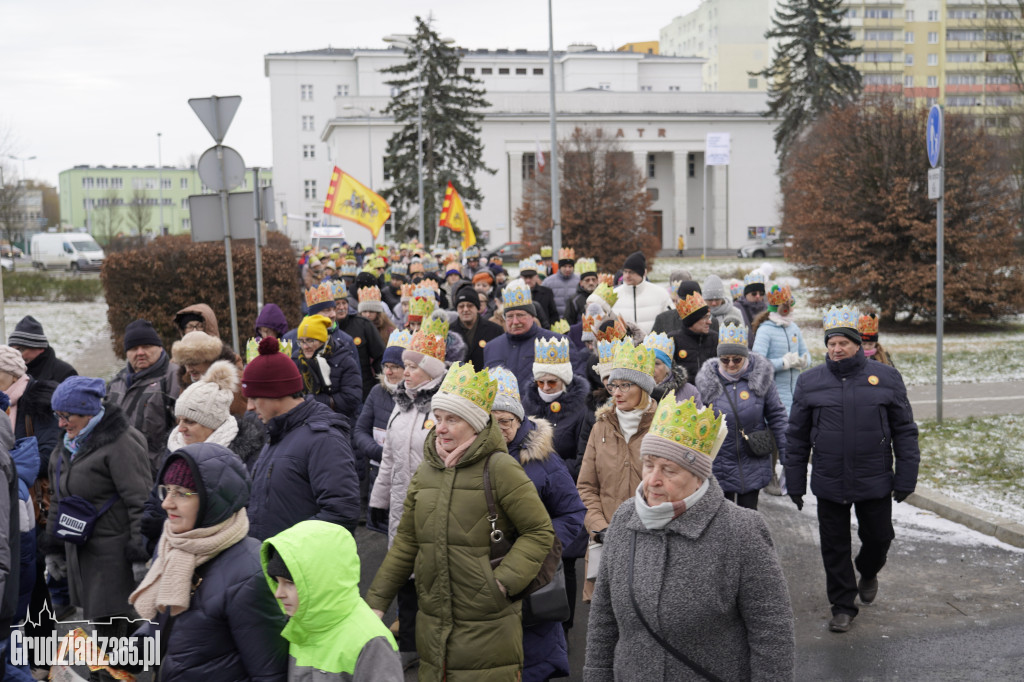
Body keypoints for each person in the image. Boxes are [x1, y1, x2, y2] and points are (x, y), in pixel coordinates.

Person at [365, 362, 555, 682]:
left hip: (489, 630)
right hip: (433, 628)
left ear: (476, 424)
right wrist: (375, 604)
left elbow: (539, 531)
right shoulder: (426, 471)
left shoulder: (500, 468)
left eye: (452, 419)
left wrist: (503, 582)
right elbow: (406, 543)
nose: (440, 427)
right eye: (438, 418)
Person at [584, 395, 795, 680]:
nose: (652, 480)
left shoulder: (741, 530)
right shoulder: (624, 519)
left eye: (669, 470)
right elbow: (603, 620)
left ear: (698, 476)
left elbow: (771, 632)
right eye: (648, 464)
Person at [785, 306, 920, 634]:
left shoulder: (886, 378)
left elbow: (905, 430)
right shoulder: (809, 382)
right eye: (832, 343)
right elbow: (796, 436)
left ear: (858, 344)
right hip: (830, 480)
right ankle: (843, 605)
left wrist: (906, 476)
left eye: (844, 342)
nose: (837, 348)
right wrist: (795, 481)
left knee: (879, 537)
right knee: (834, 545)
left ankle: (868, 569)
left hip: (874, 478)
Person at [127, 444, 289, 681]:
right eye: (167, 490)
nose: (166, 504)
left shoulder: (248, 574)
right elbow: (168, 623)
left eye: (181, 493)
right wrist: (128, 653)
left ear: (214, 501)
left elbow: (270, 673)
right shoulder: (176, 545)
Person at [45, 377, 152, 681]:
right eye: (58, 416)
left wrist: (139, 555)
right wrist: (54, 549)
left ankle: (113, 674)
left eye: (68, 416)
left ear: (90, 412)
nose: (62, 424)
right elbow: (57, 501)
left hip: (114, 560)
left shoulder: (121, 443)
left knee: (115, 629)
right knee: (110, 630)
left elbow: (140, 501)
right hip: (83, 556)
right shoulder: (67, 447)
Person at [488, 367, 585, 682]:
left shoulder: (542, 459)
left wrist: (536, 547)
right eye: (491, 421)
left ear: (519, 419)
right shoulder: (471, 458)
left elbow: (572, 512)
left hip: (533, 580)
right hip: (485, 582)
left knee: (530, 662)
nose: (499, 429)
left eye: (506, 421)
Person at [367, 328, 447, 669]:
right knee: (404, 575)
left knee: (433, 575)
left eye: (413, 366)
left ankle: (437, 640)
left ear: (430, 371)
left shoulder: (443, 407)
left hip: (435, 507)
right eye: (405, 366)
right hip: (401, 505)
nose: (405, 371)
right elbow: (389, 460)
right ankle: (411, 642)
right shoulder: (399, 407)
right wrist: (378, 501)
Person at [243, 337, 360, 540]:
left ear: (276, 393)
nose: (249, 407)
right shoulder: (277, 431)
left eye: (254, 398)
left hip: (296, 567)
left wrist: (285, 559)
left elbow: (341, 514)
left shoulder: (324, 439)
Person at [141, 361, 267, 550]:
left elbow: (245, 517)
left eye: (190, 421)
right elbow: (154, 502)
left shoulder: (245, 458)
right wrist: (155, 536)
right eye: (179, 420)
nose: (180, 428)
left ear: (213, 424)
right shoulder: (175, 448)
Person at [262, 521, 402, 682]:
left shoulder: (370, 642)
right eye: (277, 582)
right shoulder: (303, 625)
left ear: (321, 581)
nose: (278, 593)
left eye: (290, 583)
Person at [576, 340, 658, 601]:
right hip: (607, 542)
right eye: (613, 385)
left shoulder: (663, 428)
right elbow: (586, 487)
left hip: (652, 542)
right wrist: (599, 528)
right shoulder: (601, 427)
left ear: (643, 388)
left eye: (625, 385)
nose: (617, 392)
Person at [695, 324, 788, 510]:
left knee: (748, 518)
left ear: (746, 357)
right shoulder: (707, 384)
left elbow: (777, 417)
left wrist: (788, 457)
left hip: (753, 461)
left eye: (736, 360)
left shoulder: (761, 381)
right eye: (725, 359)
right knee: (723, 522)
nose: (730, 364)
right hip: (719, 464)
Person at [106, 319, 181, 476]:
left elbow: (183, 432)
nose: (140, 352)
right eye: (133, 348)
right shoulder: (116, 383)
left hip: (156, 475)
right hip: (116, 473)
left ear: (159, 348)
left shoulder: (175, 379)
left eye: (146, 346)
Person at [353, 330, 409, 530]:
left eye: (395, 367)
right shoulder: (377, 393)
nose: (389, 372)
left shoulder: (416, 397)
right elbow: (360, 430)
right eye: (386, 366)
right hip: (377, 473)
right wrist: (379, 452)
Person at [483, 285, 586, 392]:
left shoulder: (558, 342)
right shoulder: (491, 347)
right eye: (509, 316)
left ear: (532, 316)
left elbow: (577, 383)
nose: (515, 322)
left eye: (520, 315)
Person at [520, 338, 589, 477]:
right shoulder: (526, 405)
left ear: (564, 381)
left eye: (552, 382)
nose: (545, 388)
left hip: (564, 479)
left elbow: (583, 459)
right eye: (540, 382)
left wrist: (547, 471)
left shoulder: (582, 408)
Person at [751, 284, 810, 414]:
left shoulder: (793, 327)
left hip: (796, 394)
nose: (792, 308)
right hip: (775, 398)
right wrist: (783, 363)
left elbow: (806, 353)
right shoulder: (765, 330)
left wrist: (803, 361)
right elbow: (757, 364)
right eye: (789, 305)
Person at [292, 314, 362, 423]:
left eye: (310, 340)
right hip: (303, 423)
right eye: (301, 341)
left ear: (322, 340)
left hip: (336, 425)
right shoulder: (296, 359)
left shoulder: (344, 360)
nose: (305, 346)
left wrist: (308, 401)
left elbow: (351, 399)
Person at [170, 331, 248, 416]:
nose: (189, 370)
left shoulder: (235, 384)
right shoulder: (187, 381)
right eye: (185, 364)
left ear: (210, 359)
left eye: (194, 363)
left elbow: (245, 422)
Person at [610, 251, 673, 335]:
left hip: (654, 346)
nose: (627, 276)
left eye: (631, 272)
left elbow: (672, 321)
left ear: (643, 273)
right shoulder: (613, 295)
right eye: (625, 271)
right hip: (623, 346)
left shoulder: (660, 294)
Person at [7, 315, 77, 385]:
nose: (15, 354)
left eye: (21, 349)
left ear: (40, 348)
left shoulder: (65, 373)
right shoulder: (8, 372)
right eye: (12, 349)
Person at [450, 285, 503, 372]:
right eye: (461, 306)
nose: (465, 309)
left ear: (477, 308)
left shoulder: (495, 330)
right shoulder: (449, 331)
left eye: (470, 305)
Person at [669, 291, 720, 381]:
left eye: (709, 317)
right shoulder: (673, 340)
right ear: (692, 320)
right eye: (705, 318)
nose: (709, 322)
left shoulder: (715, 338)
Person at [642, 332, 701, 404]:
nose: (650, 368)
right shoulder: (636, 390)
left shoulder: (690, 392)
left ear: (667, 368)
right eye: (647, 363)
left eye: (656, 363)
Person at [517, 259, 557, 329]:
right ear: (521, 278)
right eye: (525, 277)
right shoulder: (516, 295)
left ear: (536, 277)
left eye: (530, 277)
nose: (528, 280)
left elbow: (553, 314)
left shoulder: (547, 292)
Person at [540, 248, 580, 318]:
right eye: (564, 266)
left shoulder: (579, 281)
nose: (567, 269)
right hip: (555, 320)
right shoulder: (548, 281)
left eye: (570, 266)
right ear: (559, 267)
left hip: (574, 320)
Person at [562, 257, 598, 325]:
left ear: (597, 281)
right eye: (587, 280)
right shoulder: (574, 300)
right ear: (581, 283)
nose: (591, 283)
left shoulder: (602, 297)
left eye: (593, 279)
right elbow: (568, 321)